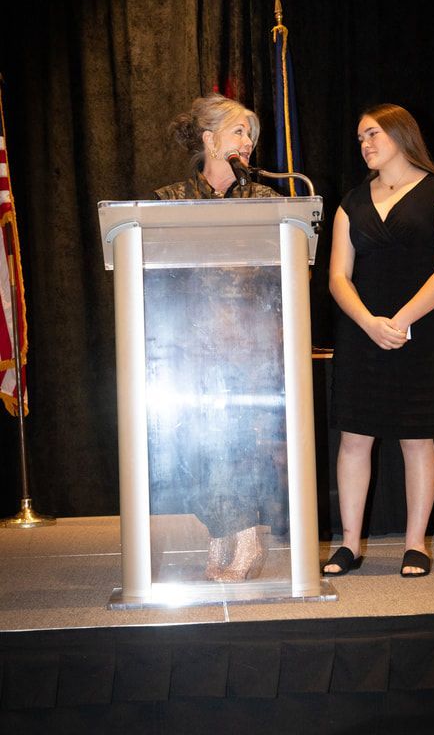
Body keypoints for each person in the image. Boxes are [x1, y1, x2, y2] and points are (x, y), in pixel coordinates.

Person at [324, 102, 434, 578]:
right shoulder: (351, 201)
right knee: (354, 438)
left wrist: (399, 322)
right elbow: (338, 277)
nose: (364, 145)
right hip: (361, 332)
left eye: (372, 135)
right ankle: (347, 545)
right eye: (359, 138)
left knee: (416, 437)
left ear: (401, 136)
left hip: (419, 332)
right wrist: (369, 322)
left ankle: (415, 545)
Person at [153, 93, 282, 582]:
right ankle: (221, 534)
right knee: (194, 447)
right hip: (187, 348)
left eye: (250, 133)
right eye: (237, 132)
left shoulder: (267, 200)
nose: (247, 142)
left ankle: (247, 539)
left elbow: (283, 275)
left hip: (250, 348)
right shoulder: (169, 201)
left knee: (241, 446)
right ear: (209, 140)